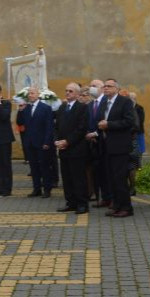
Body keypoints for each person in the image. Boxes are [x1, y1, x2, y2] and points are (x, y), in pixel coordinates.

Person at [97, 79, 137, 218]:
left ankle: (126, 207)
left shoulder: (124, 102)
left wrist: (109, 125)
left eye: (109, 86)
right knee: (111, 178)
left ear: (116, 88)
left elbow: (129, 121)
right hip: (106, 145)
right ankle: (116, 204)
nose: (106, 88)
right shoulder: (103, 103)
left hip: (120, 146)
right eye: (104, 86)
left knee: (120, 178)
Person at [55, 83, 90, 215]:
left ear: (77, 94)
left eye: (70, 91)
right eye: (66, 90)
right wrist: (57, 140)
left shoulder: (82, 108)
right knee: (67, 177)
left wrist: (67, 141)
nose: (67, 93)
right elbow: (57, 126)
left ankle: (82, 204)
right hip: (63, 149)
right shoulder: (62, 107)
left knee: (78, 178)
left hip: (76, 149)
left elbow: (81, 129)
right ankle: (71, 202)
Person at [16, 87, 54, 198]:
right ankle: (36, 189)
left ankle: (47, 189)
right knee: (33, 167)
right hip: (30, 142)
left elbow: (49, 126)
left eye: (32, 93)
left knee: (44, 166)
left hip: (42, 142)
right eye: (29, 93)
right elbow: (20, 123)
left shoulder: (45, 108)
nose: (30, 95)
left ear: (38, 95)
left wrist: (47, 141)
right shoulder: (26, 108)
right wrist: (20, 110)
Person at [128, 91, 145, 196]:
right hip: (129, 138)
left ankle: (133, 186)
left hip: (136, 136)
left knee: (134, 163)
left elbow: (139, 122)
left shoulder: (138, 108)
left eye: (133, 98)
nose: (131, 100)